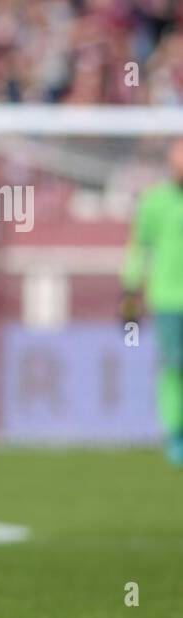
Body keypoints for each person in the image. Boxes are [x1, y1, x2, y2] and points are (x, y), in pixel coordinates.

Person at [122, 139, 183, 467]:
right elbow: (139, 248)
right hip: (169, 300)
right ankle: (175, 435)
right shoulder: (155, 203)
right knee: (174, 368)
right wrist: (129, 293)